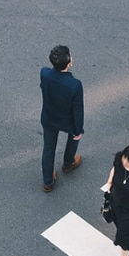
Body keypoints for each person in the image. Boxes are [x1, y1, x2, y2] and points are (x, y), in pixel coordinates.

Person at [40, 45, 84, 193]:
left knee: (48, 148)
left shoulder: (44, 73)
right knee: (74, 137)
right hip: (67, 120)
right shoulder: (74, 85)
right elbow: (78, 110)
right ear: (69, 63)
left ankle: (48, 181)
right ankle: (68, 162)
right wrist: (78, 129)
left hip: (49, 117)